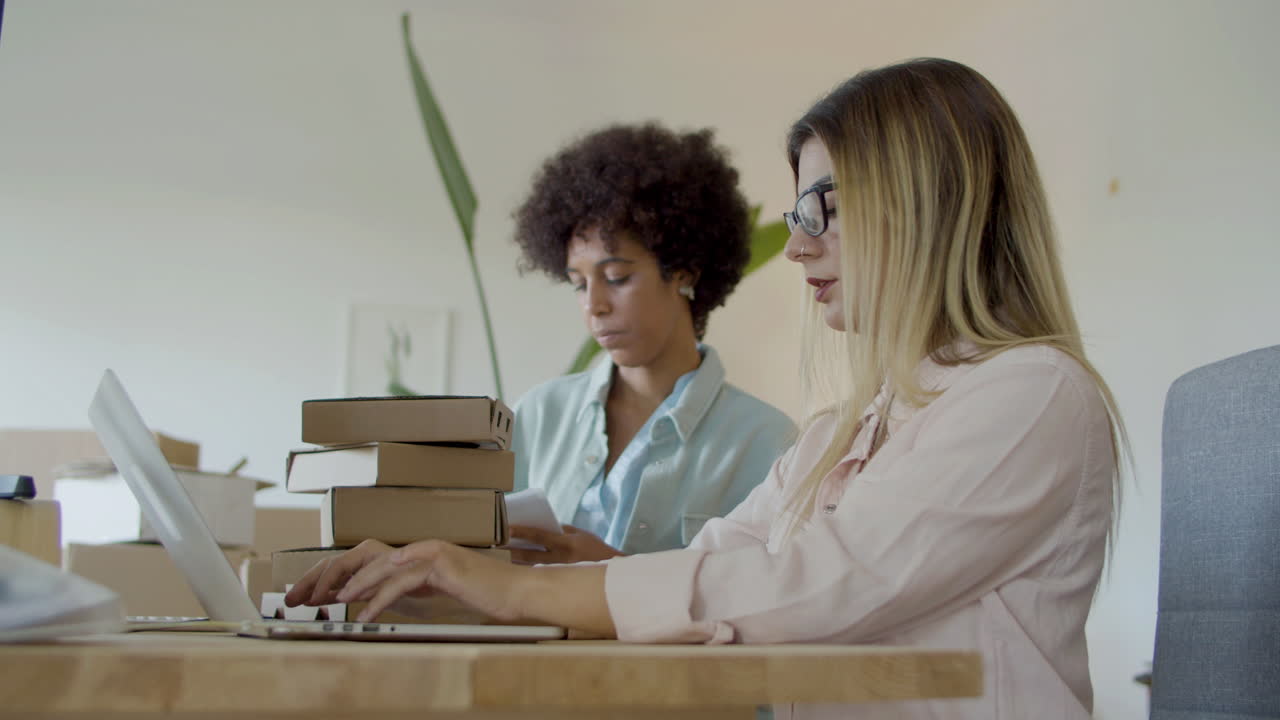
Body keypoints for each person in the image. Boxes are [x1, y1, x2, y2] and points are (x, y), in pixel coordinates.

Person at [286, 58, 1126, 719]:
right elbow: (721, 560)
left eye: (826, 209)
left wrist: (514, 588)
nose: (796, 249)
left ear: (931, 200)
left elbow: (820, 582)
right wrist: (446, 575)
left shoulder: (1031, 395)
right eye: (800, 217)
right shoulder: (843, 431)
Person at [503, 123, 796, 563]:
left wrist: (613, 574)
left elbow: (764, 590)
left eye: (617, 277)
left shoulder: (767, 444)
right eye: (579, 284)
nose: (594, 305)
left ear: (684, 272)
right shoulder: (538, 415)